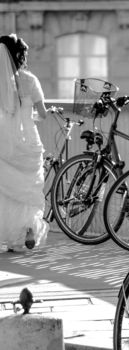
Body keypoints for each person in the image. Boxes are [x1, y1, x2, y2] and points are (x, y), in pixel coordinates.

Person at [0, 34, 49, 252]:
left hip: (5, 139)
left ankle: (7, 234)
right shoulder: (31, 80)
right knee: (30, 188)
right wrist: (30, 117)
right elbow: (43, 114)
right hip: (29, 139)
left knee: (6, 190)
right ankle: (29, 229)